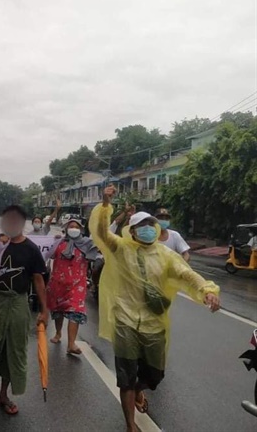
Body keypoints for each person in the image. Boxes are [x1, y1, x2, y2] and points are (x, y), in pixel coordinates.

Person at [90, 185, 220, 432]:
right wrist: (106, 205)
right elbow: (100, 233)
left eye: (152, 225)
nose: (148, 229)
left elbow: (187, 274)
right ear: (133, 230)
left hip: (154, 323)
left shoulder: (166, 255)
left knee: (154, 375)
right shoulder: (121, 249)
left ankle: (140, 390)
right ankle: (130, 425)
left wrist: (208, 291)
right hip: (125, 320)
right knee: (126, 377)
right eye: (143, 226)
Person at [0, 205, 48, 419]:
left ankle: (3, 395)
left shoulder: (32, 249)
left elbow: (38, 280)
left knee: (12, 349)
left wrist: (44, 310)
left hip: (18, 301)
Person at [46, 219, 99, 354]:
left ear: (81, 230)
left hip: (77, 285)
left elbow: (97, 257)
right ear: (66, 228)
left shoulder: (88, 244)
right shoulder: (59, 243)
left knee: (75, 312)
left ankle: (71, 344)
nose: (74, 228)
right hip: (58, 284)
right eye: (71, 226)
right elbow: (48, 255)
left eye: (76, 227)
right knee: (58, 311)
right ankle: (58, 333)